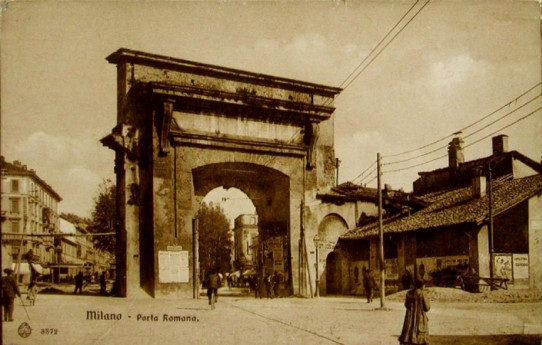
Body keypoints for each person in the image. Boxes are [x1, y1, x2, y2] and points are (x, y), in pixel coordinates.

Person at [398, 279, 430, 345]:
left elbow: (406, 305)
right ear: (421, 286)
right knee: (420, 334)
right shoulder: (423, 294)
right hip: (420, 317)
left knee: (408, 332)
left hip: (409, 317)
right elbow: (427, 308)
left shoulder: (408, 294)